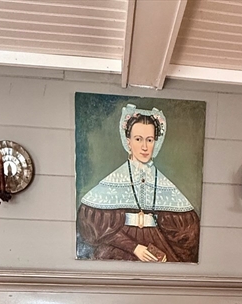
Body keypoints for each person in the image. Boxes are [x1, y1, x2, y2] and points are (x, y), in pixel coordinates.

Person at [77, 104, 200, 262]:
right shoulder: (114, 180)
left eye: (149, 140)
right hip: (120, 248)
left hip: (157, 244)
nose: (144, 147)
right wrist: (134, 247)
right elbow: (94, 229)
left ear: (156, 142)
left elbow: (186, 233)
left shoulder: (163, 183)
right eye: (138, 139)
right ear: (128, 142)